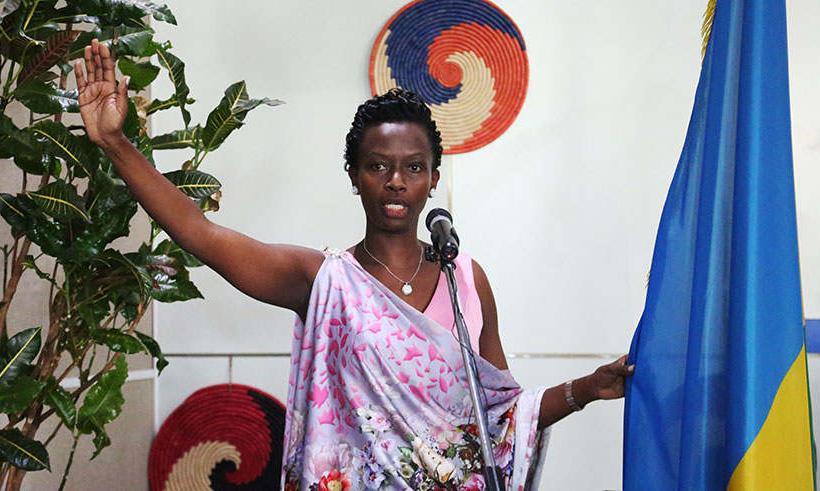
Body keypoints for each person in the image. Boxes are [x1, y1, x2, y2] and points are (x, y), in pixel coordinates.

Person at [75, 39, 634, 490]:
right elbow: (203, 233)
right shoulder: (325, 280)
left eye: (414, 167)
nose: (396, 181)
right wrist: (116, 143)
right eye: (378, 166)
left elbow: (505, 415)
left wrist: (587, 387)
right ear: (354, 176)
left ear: (433, 178)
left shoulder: (465, 278)